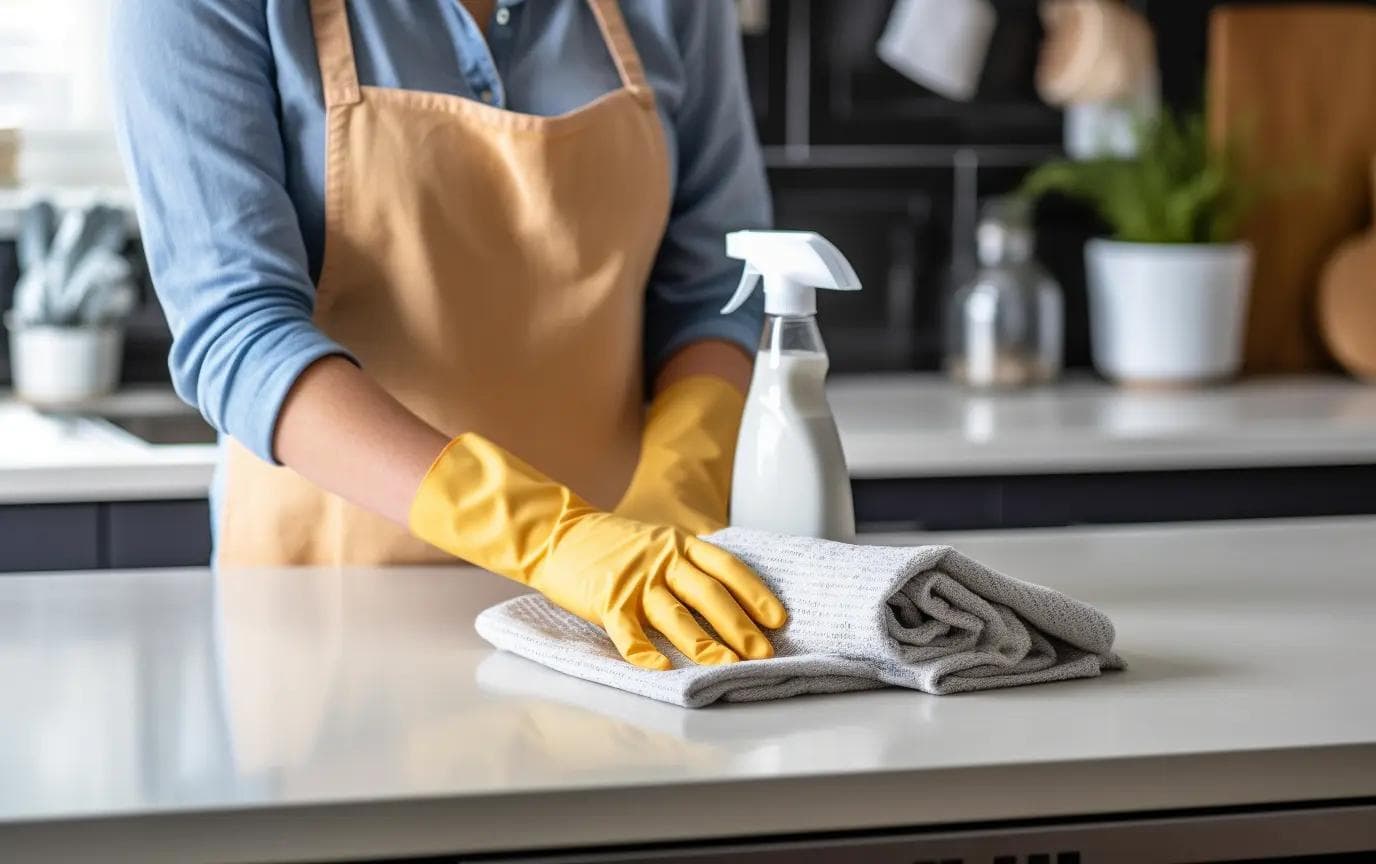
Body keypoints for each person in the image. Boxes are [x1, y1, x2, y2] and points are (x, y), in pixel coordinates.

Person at [110, 0, 786, 669]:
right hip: (326, 623)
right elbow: (240, 330)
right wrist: (552, 538)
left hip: (625, 616)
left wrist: (677, 486)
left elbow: (712, 288)